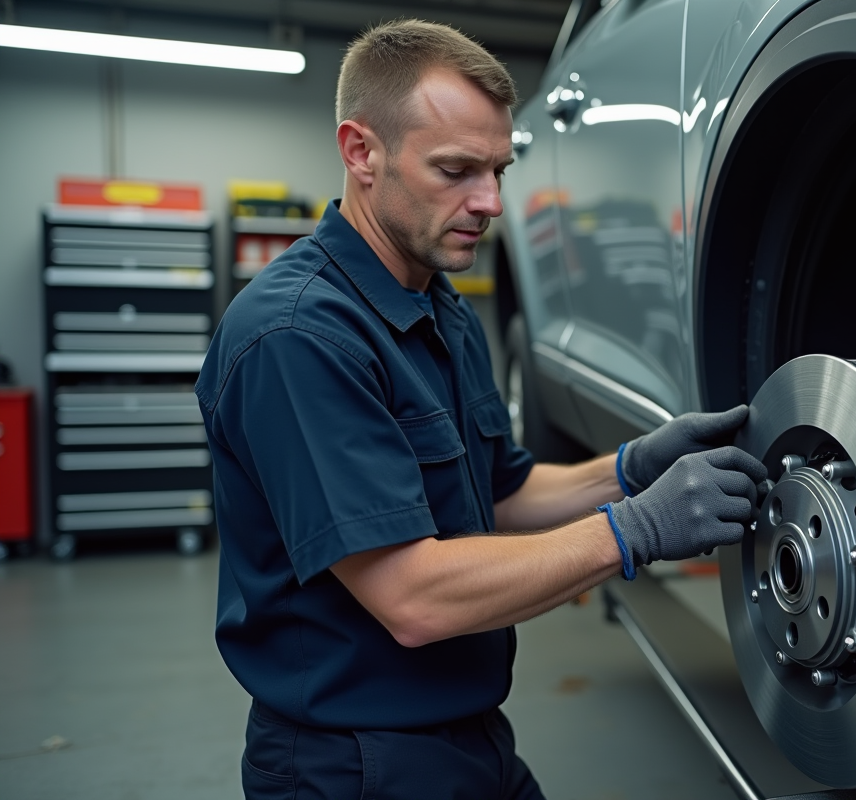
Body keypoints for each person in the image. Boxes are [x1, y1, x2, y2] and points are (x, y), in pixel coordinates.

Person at [196, 19, 767, 800]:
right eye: (456, 170)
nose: (491, 202)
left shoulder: (440, 306)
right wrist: (635, 529)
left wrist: (632, 468)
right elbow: (413, 597)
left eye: (498, 170)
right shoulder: (297, 338)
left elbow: (502, 492)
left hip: (471, 739)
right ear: (361, 153)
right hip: (353, 766)